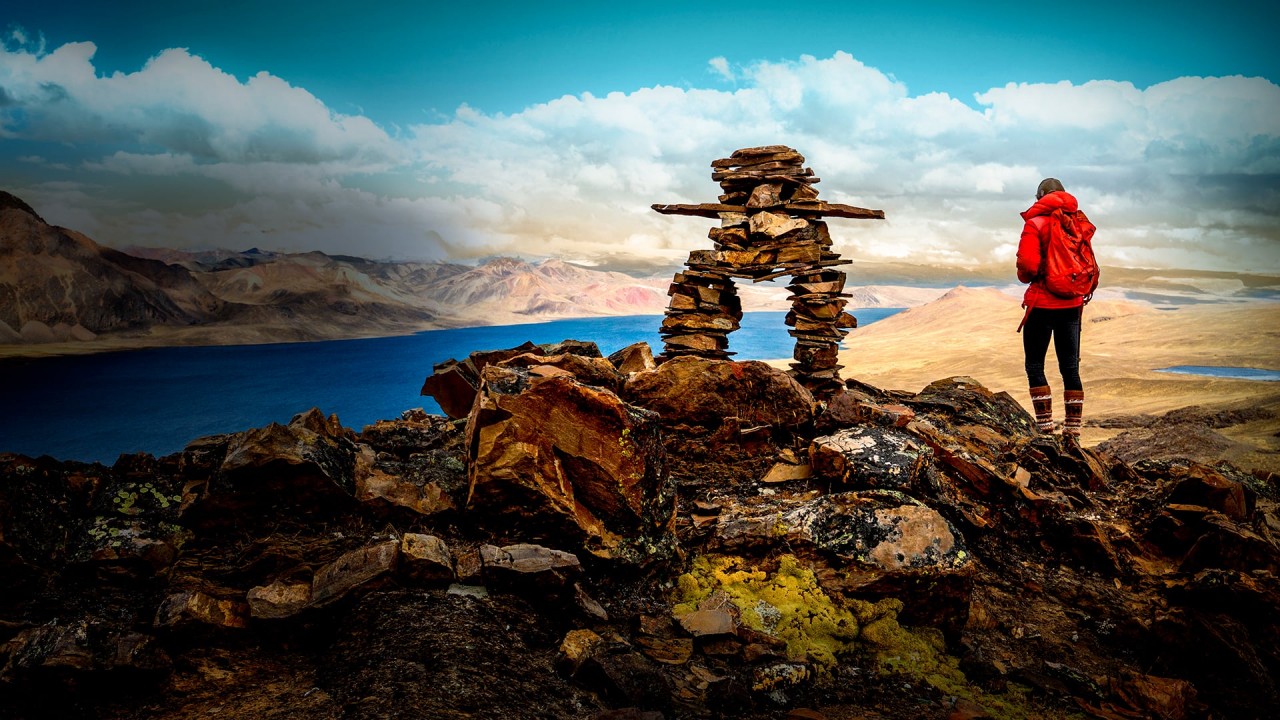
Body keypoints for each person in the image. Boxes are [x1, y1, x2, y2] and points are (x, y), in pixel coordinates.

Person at [1016, 178, 1097, 437]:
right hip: (1072, 304)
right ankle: (1073, 435)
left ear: (1040, 197)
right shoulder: (1077, 222)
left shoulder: (1035, 223)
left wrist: (1029, 275)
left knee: (1035, 367)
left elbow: (1027, 267)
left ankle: (1046, 431)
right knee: (1070, 369)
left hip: (1042, 303)